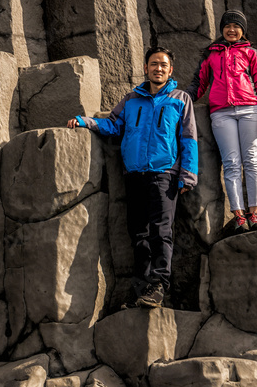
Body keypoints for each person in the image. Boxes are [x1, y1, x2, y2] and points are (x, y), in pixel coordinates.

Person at [67, 47, 198, 309]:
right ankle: (140, 289)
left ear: (170, 70)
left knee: (161, 232)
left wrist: (188, 175)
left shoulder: (180, 98)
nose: (158, 68)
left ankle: (159, 287)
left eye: (163, 65)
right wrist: (86, 121)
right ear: (146, 68)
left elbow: (189, 138)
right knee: (138, 234)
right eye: (153, 64)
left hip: (165, 175)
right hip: (134, 175)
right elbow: (113, 125)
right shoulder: (131, 100)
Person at [186, 9, 257, 233]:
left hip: (250, 111)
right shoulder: (211, 55)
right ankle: (239, 216)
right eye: (227, 26)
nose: (231, 30)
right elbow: (199, 84)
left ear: (242, 31)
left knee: (252, 161)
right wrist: (180, 102)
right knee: (232, 163)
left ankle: (254, 214)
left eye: (236, 26)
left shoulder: (252, 53)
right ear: (222, 29)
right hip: (221, 113)